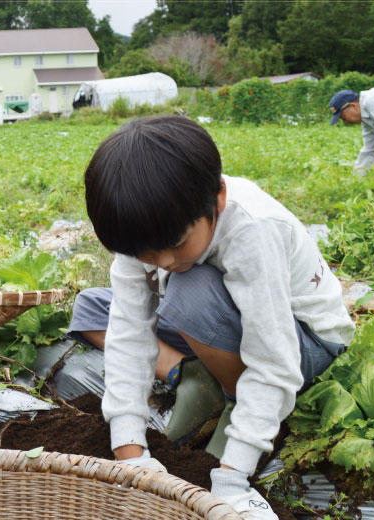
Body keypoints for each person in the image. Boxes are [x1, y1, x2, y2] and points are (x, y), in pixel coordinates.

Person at [68, 115, 354, 519]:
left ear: (218, 198)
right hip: (223, 321)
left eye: (176, 245)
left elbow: (275, 362)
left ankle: (237, 400)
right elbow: (129, 334)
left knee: (189, 290)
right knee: (95, 305)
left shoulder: (252, 231)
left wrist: (232, 477)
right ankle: (193, 374)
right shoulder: (147, 233)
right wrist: (130, 454)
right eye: (146, 255)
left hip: (305, 341)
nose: (162, 262)